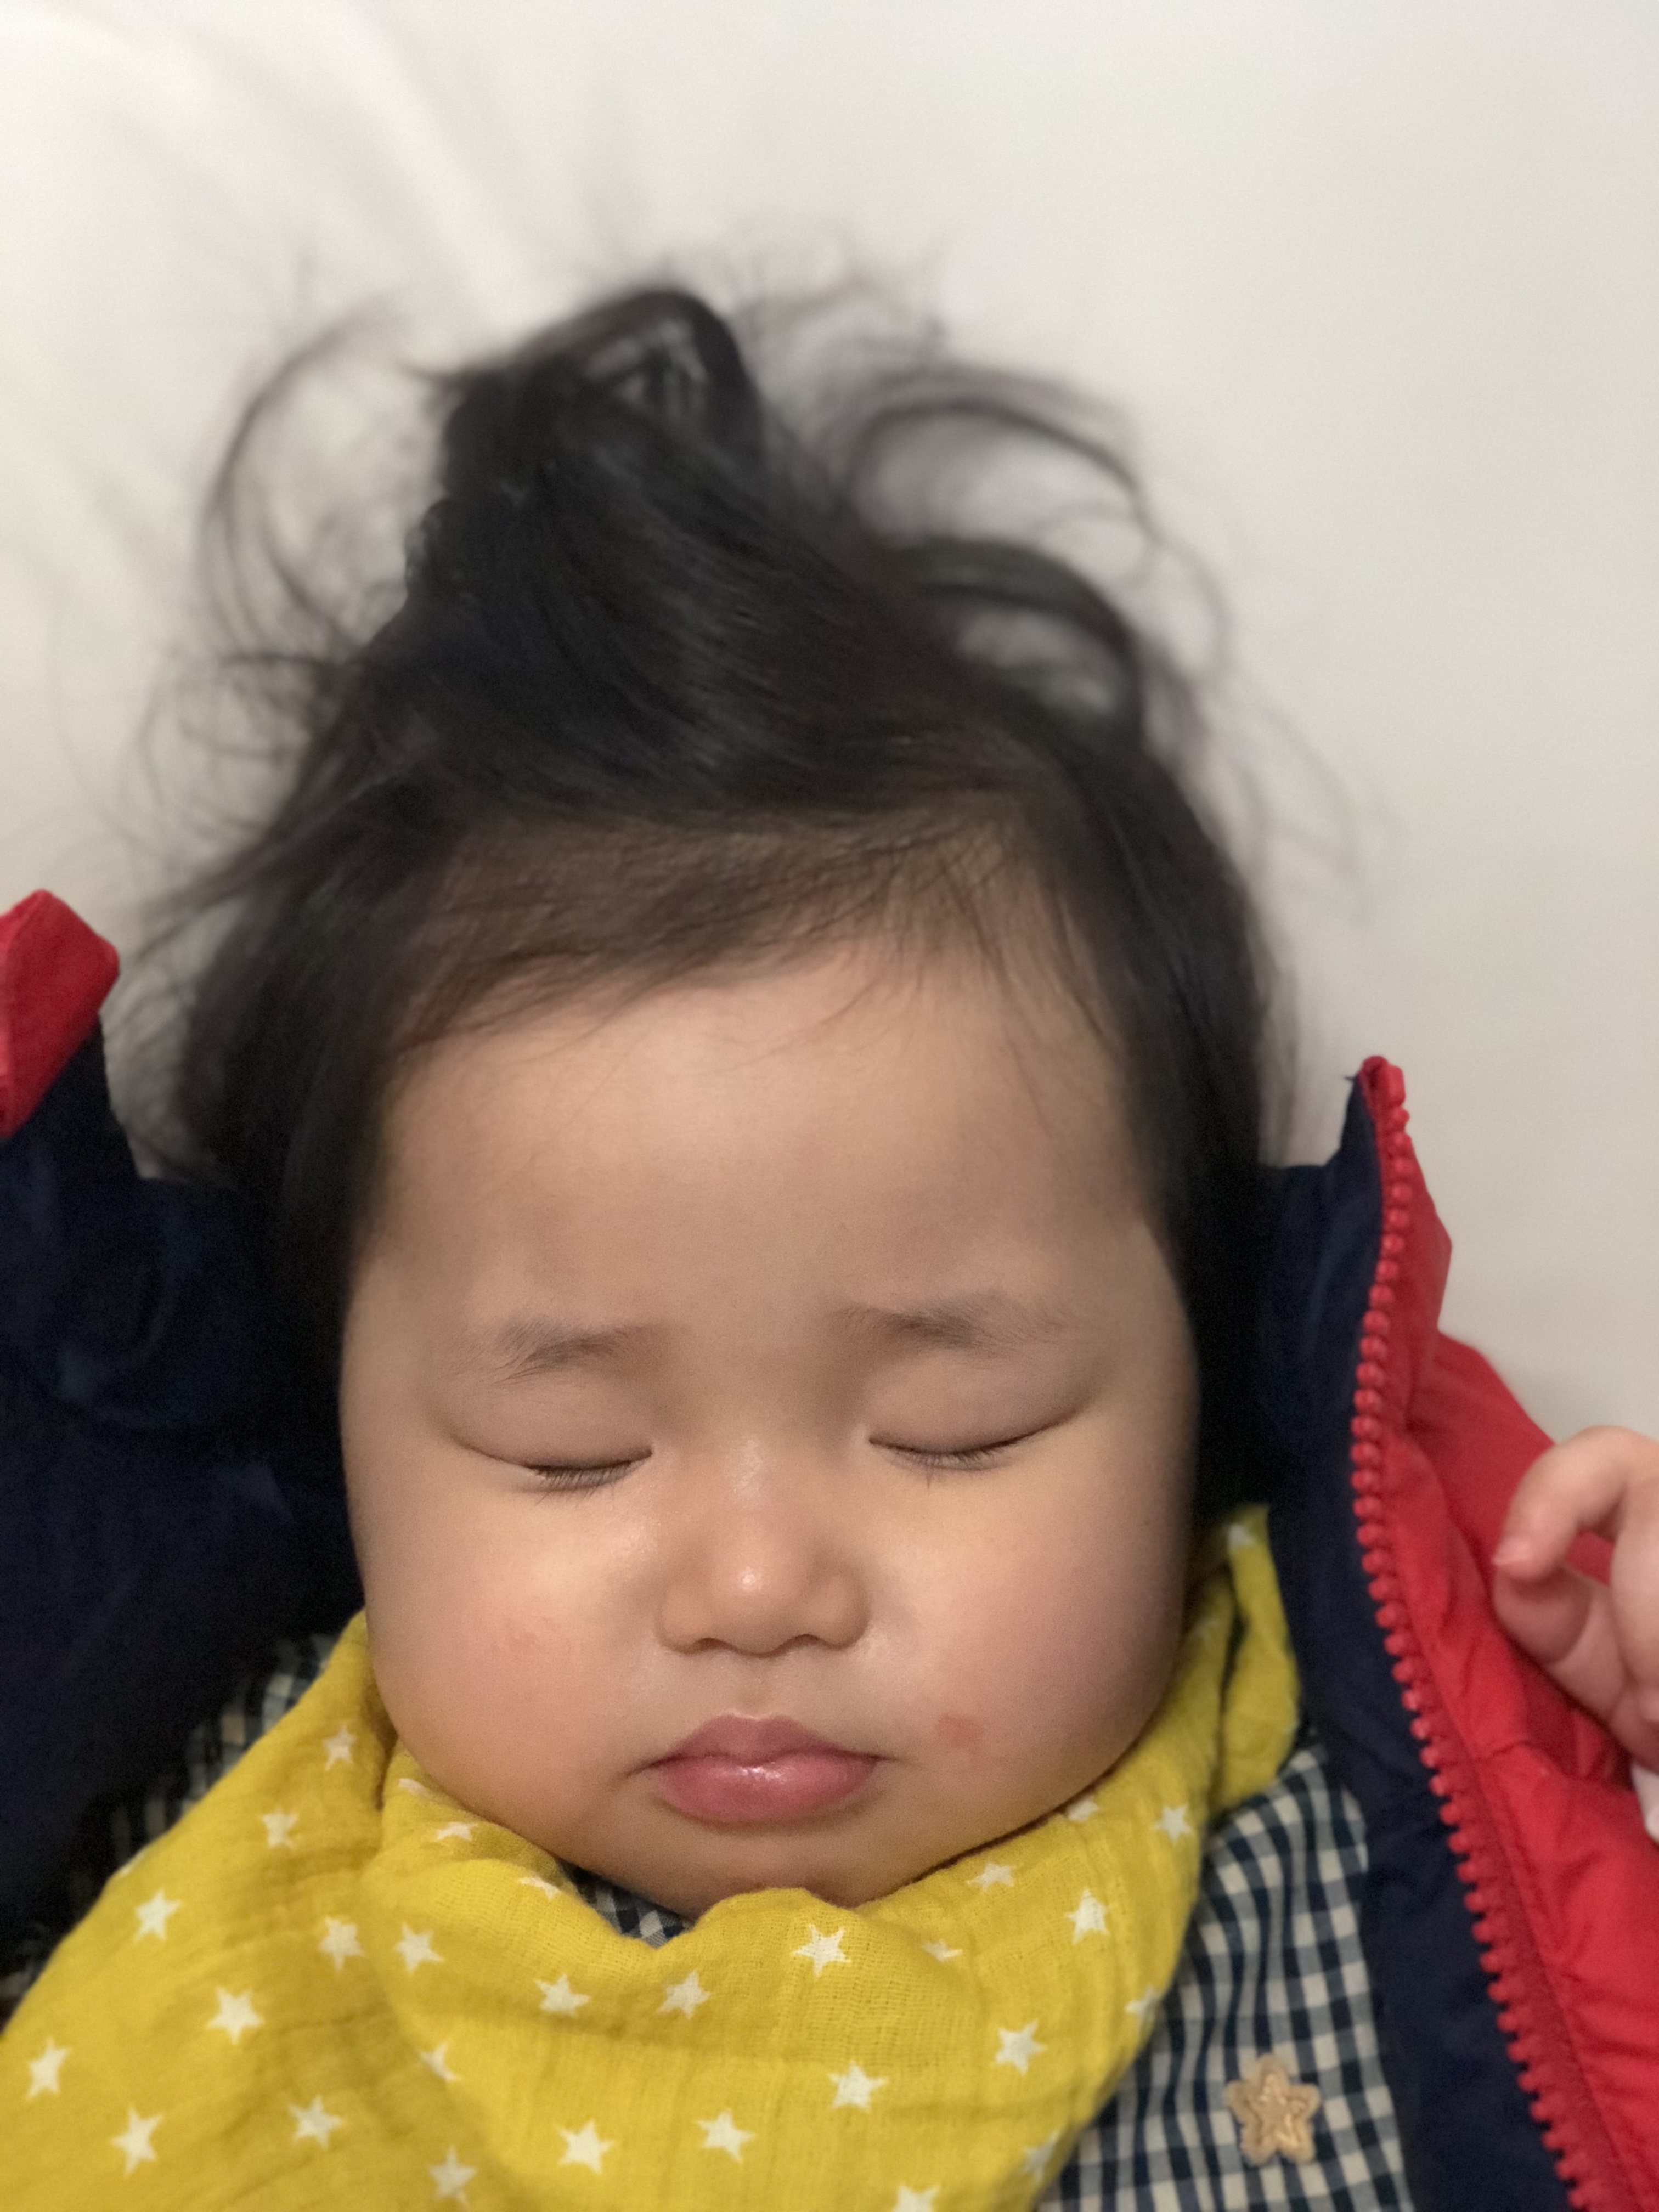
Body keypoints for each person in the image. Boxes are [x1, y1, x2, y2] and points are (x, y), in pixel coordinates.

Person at [3, 284, 1656, 2210]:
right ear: (341, 1414)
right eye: (571, 1451)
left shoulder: (1371, 1789)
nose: (759, 1589)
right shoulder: (159, 1804)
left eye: (958, 1425)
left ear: (1199, 1377)